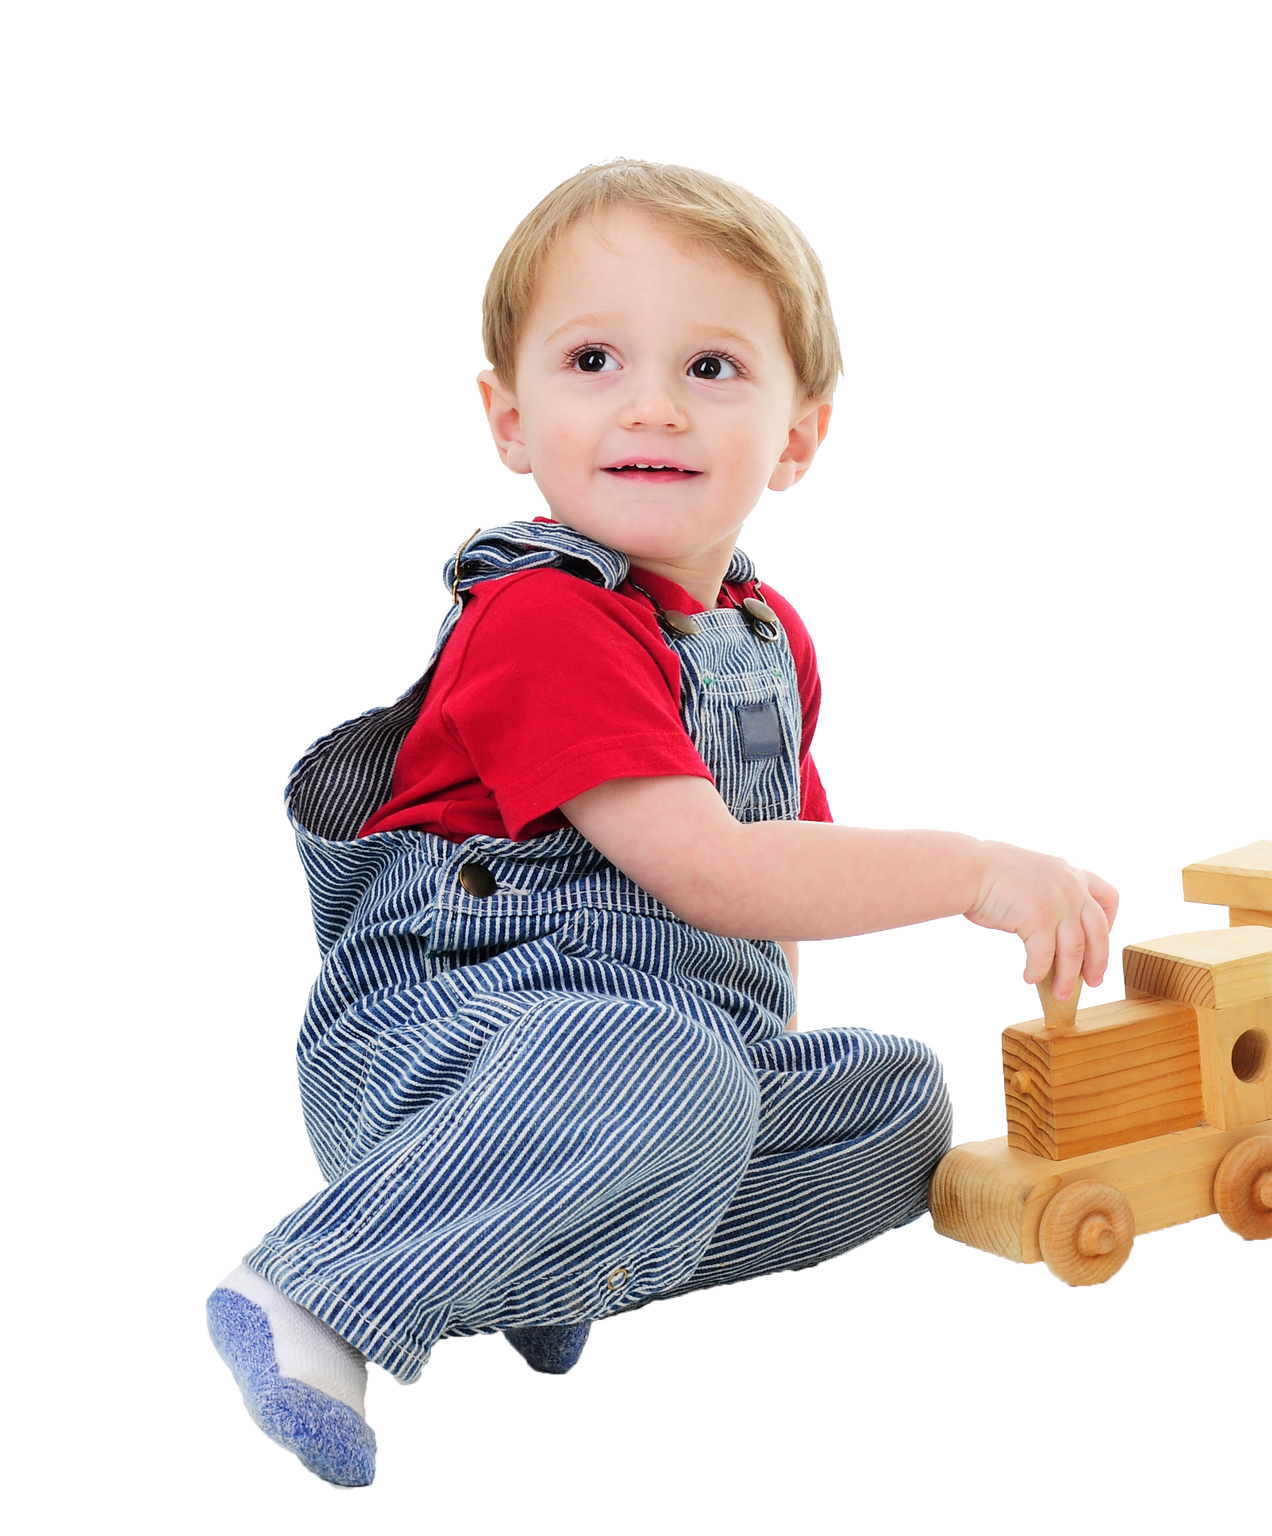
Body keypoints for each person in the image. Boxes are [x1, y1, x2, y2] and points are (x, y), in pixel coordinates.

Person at [200, 156, 1122, 1492]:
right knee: (669, 1077)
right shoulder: (544, 620)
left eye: (710, 368)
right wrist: (976, 871)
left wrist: (768, 1064)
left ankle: (530, 1260)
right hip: (452, 1065)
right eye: (592, 360)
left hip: (666, 1059)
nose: (650, 405)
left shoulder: (766, 635)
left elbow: (794, 885)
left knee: (900, 1110)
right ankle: (317, 1291)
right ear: (509, 420)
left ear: (799, 435)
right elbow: (712, 870)